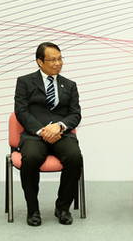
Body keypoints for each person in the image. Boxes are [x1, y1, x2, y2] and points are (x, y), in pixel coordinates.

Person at [13, 42, 83, 227]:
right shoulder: (25, 82)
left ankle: (62, 207)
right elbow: (21, 112)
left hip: (62, 134)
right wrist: (42, 130)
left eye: (60, 59)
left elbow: (75, 114)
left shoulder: (69, 85)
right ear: (40, 62)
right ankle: (33, 209)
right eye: (52, 60)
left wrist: (59, 126)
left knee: (75, 157)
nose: (57, 63)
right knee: (31, 158)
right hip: (34, 135)